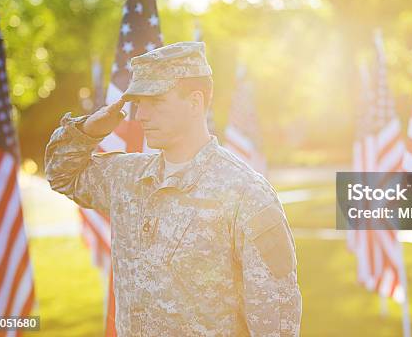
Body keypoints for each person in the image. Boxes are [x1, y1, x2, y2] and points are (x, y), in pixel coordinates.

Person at [45, 41, 301, 336]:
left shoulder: (246, 194)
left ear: (195, 103)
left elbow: (276, 321)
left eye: (155, 101)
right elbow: (61, 174)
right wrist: (90, 129)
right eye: (138, 102)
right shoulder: (128, 177)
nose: (140, 115)